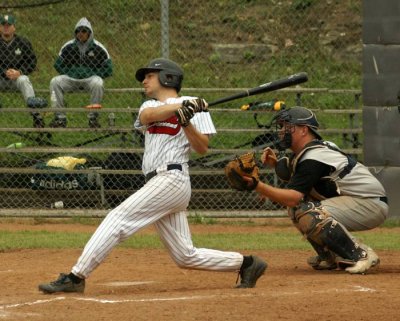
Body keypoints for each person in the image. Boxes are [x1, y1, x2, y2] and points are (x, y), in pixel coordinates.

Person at [38, 58, 267, 294]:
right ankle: (247, 264)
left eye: (149, 75)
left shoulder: (195, 106)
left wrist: (186, 121)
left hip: (172, 178)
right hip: (159, 182)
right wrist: (179, 109)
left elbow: (201, 147)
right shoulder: (149, 105)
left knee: (118, 218)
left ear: (167, 77)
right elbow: (148, 116)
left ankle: (76, 277)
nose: (144, 81)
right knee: (185, 255)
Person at [241, 106, 388, 274]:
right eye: (281, 126)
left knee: (308, 212)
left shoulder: (314, 157)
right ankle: (331, 257)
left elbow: (293, 197)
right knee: (296, 209)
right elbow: (294, 174)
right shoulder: (311, 152)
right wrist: (275, 164)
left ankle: (360, 254)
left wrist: (257, 186)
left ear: (303, 130)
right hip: (360, 202)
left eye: (287, 126)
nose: (282, 131)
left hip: (369, 204)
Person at [49, 17, 113, 128]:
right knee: (55, 82)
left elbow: (109, 69)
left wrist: (92, 72)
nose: (80, 33)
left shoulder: (98, 47)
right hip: (71, 79)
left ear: (89, 33)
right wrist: (70, 72)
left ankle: (93, 118)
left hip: (90, 79)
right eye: (78, 31)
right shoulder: (68, 46)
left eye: (84, 31)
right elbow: (58, 64)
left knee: (98, 83)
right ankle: (60, 118)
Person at [0, 14, 47, 128]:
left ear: (14, 27)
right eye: (3, 25)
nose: (6, 27)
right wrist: (4, 72)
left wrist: (19, 72)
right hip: (1, 78)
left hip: (17, 79)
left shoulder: (23, 42)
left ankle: (36, 116)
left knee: (24, 79)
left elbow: (32, 62)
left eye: (9, 25)